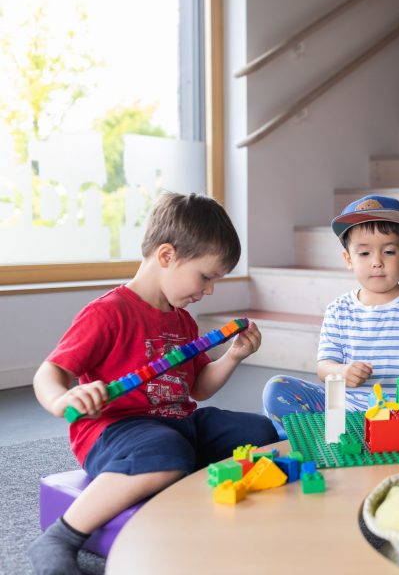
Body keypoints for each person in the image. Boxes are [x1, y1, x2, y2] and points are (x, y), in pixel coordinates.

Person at [29, 192, 279, 575]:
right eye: (206, 276)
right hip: (116, 430)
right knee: (165, 449)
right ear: (166, 256)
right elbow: (49, 372)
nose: (209, 290)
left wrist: (232, 357)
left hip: (179, 424)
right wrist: (63, 400)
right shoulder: (108, 312)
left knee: (259, 431)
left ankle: (179, 475)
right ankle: (62, 536)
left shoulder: (182, 320)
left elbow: (197, 388)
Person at [262, 195, 399, 437]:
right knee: (276, 389)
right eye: (364, 254)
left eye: (389, 251)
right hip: (343, 414)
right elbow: (324, 368)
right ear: (348, 259)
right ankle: (325, 435)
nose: (377, 262)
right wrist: (342, 371)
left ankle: (315, 436)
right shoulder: (338, 310)